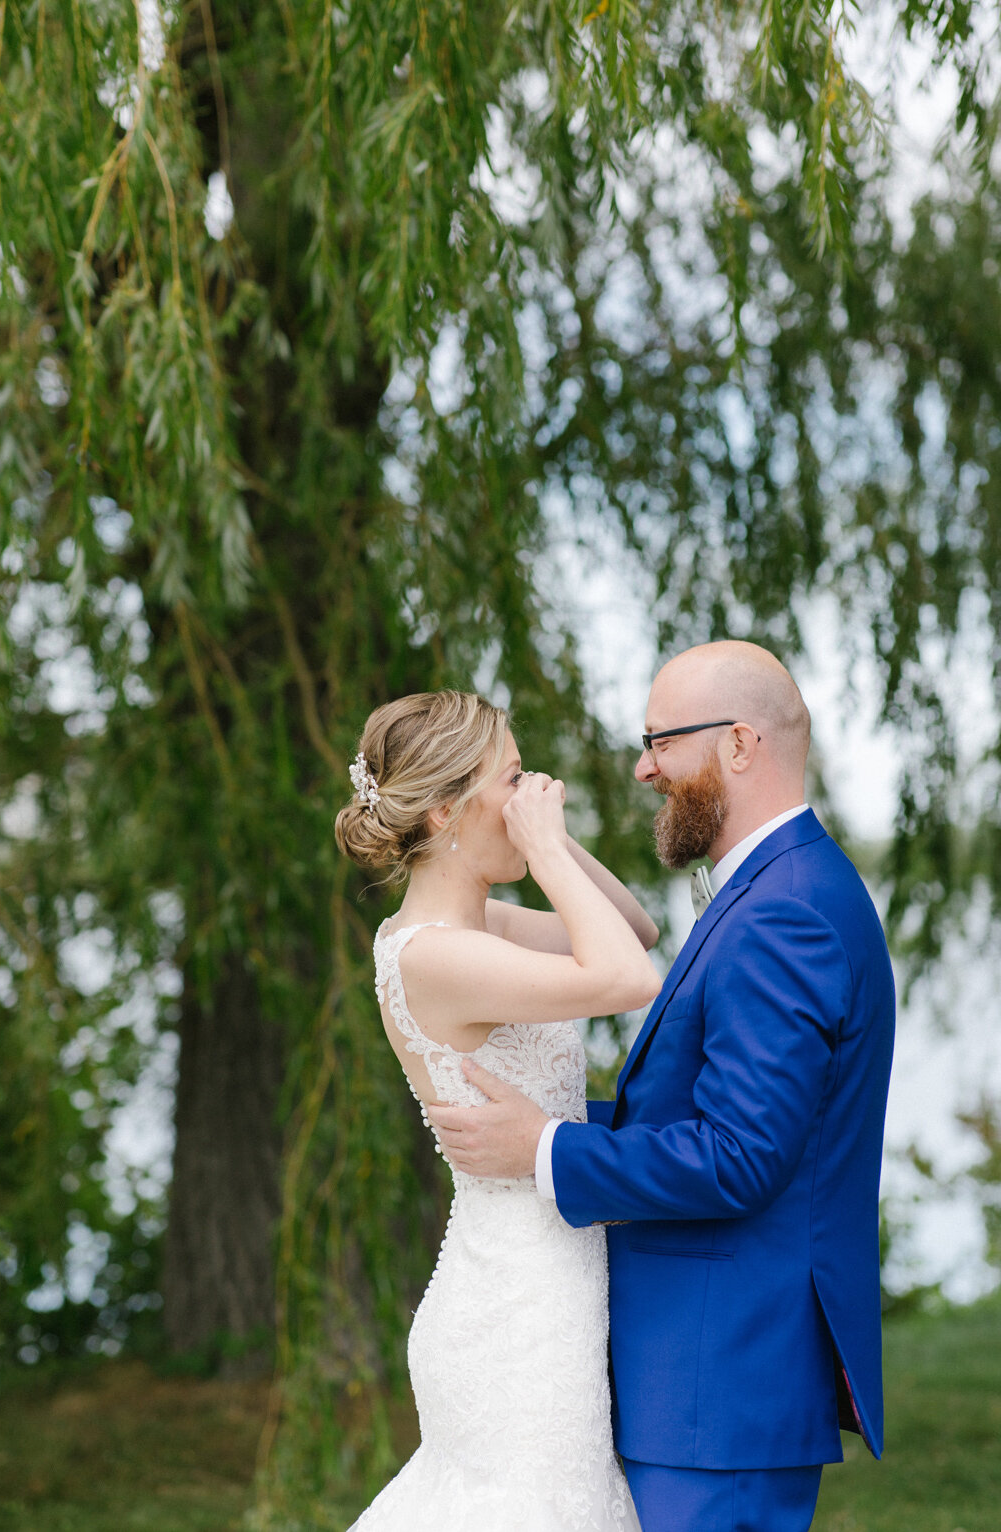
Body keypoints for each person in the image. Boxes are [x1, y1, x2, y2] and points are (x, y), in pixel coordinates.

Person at [429, 641, 894, 1532]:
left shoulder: (785, 910)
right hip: (710, 1382)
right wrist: (558, 1119)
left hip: (716, 1385)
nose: (642, 768)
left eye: (660, 742)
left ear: (740, 745)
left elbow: (741, 1157)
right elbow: (718, 1115)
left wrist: (547, 1149)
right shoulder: (779, 888)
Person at [334, 689, 660, 1531]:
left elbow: (633, 927)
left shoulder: (482, 926)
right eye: (511, 781)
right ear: (446, 810)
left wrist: (549, 841)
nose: (530, 796)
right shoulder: (437, 954)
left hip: (540, 1280)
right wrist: (544, 847)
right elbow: (629, 981)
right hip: (516, 1309)